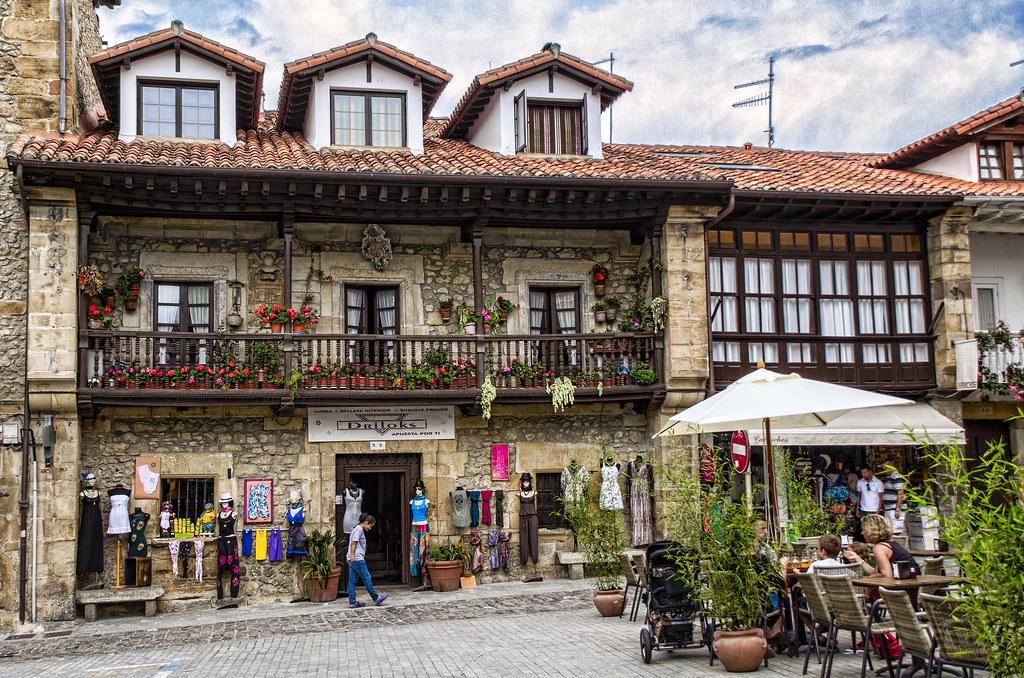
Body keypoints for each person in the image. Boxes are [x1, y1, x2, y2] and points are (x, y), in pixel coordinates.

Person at [844, 514, 920, 580]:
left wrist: (869, 578)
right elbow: (876, 572)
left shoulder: (879, 548)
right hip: (912, 582)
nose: (862, 533)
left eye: (864, 530)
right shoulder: (890, 544)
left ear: (871, 531)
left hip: (905, 587)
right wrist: (858, 559)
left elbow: (886, 575)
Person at [347, 513, 387, 609]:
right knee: (367, 577)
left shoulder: (357, 529)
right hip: (357, 559)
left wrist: (351, 558)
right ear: (366, 523)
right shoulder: (359, 530)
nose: (370, 528)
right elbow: (354, 543)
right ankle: (376, 598)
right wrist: (353, 557)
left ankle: (352, 602)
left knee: (352, 580)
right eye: (370, 525)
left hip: (352, 558)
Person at [882, 468, 906, 535]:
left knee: (897, 531)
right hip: (888, 508)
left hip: (894, 508)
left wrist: (897, 509)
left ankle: (900, 544)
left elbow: (901, 493)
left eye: (885, 467)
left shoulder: (897, 477)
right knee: (890, 531)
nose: (884, 469)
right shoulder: (890, 478)